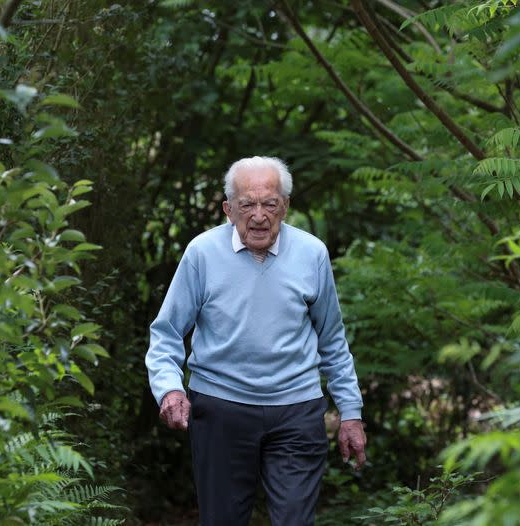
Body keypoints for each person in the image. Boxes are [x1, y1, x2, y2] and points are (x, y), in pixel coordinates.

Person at [145, 156, 366, 526]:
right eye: (247, 204)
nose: (259, 215)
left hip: (297, 409)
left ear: (286, 206)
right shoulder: (201, 253)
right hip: (220, 408)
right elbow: (166, 333)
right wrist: (169, 389)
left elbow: (332, 339)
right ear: (228, 210)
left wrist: (351, 413)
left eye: (270, 203)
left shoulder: (312, 254)